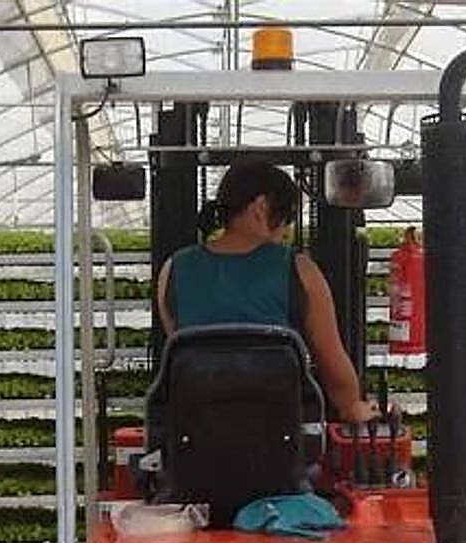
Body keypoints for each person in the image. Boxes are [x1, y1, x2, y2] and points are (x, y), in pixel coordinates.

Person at [156, 160, 378, 424]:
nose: (286, 230)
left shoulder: (173, 269)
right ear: (261, 207)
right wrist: (352, 407)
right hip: (280, 439)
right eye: (287, 217)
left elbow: (182, 350)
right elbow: (333, 366)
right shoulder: (300, 270)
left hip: (193, 438)